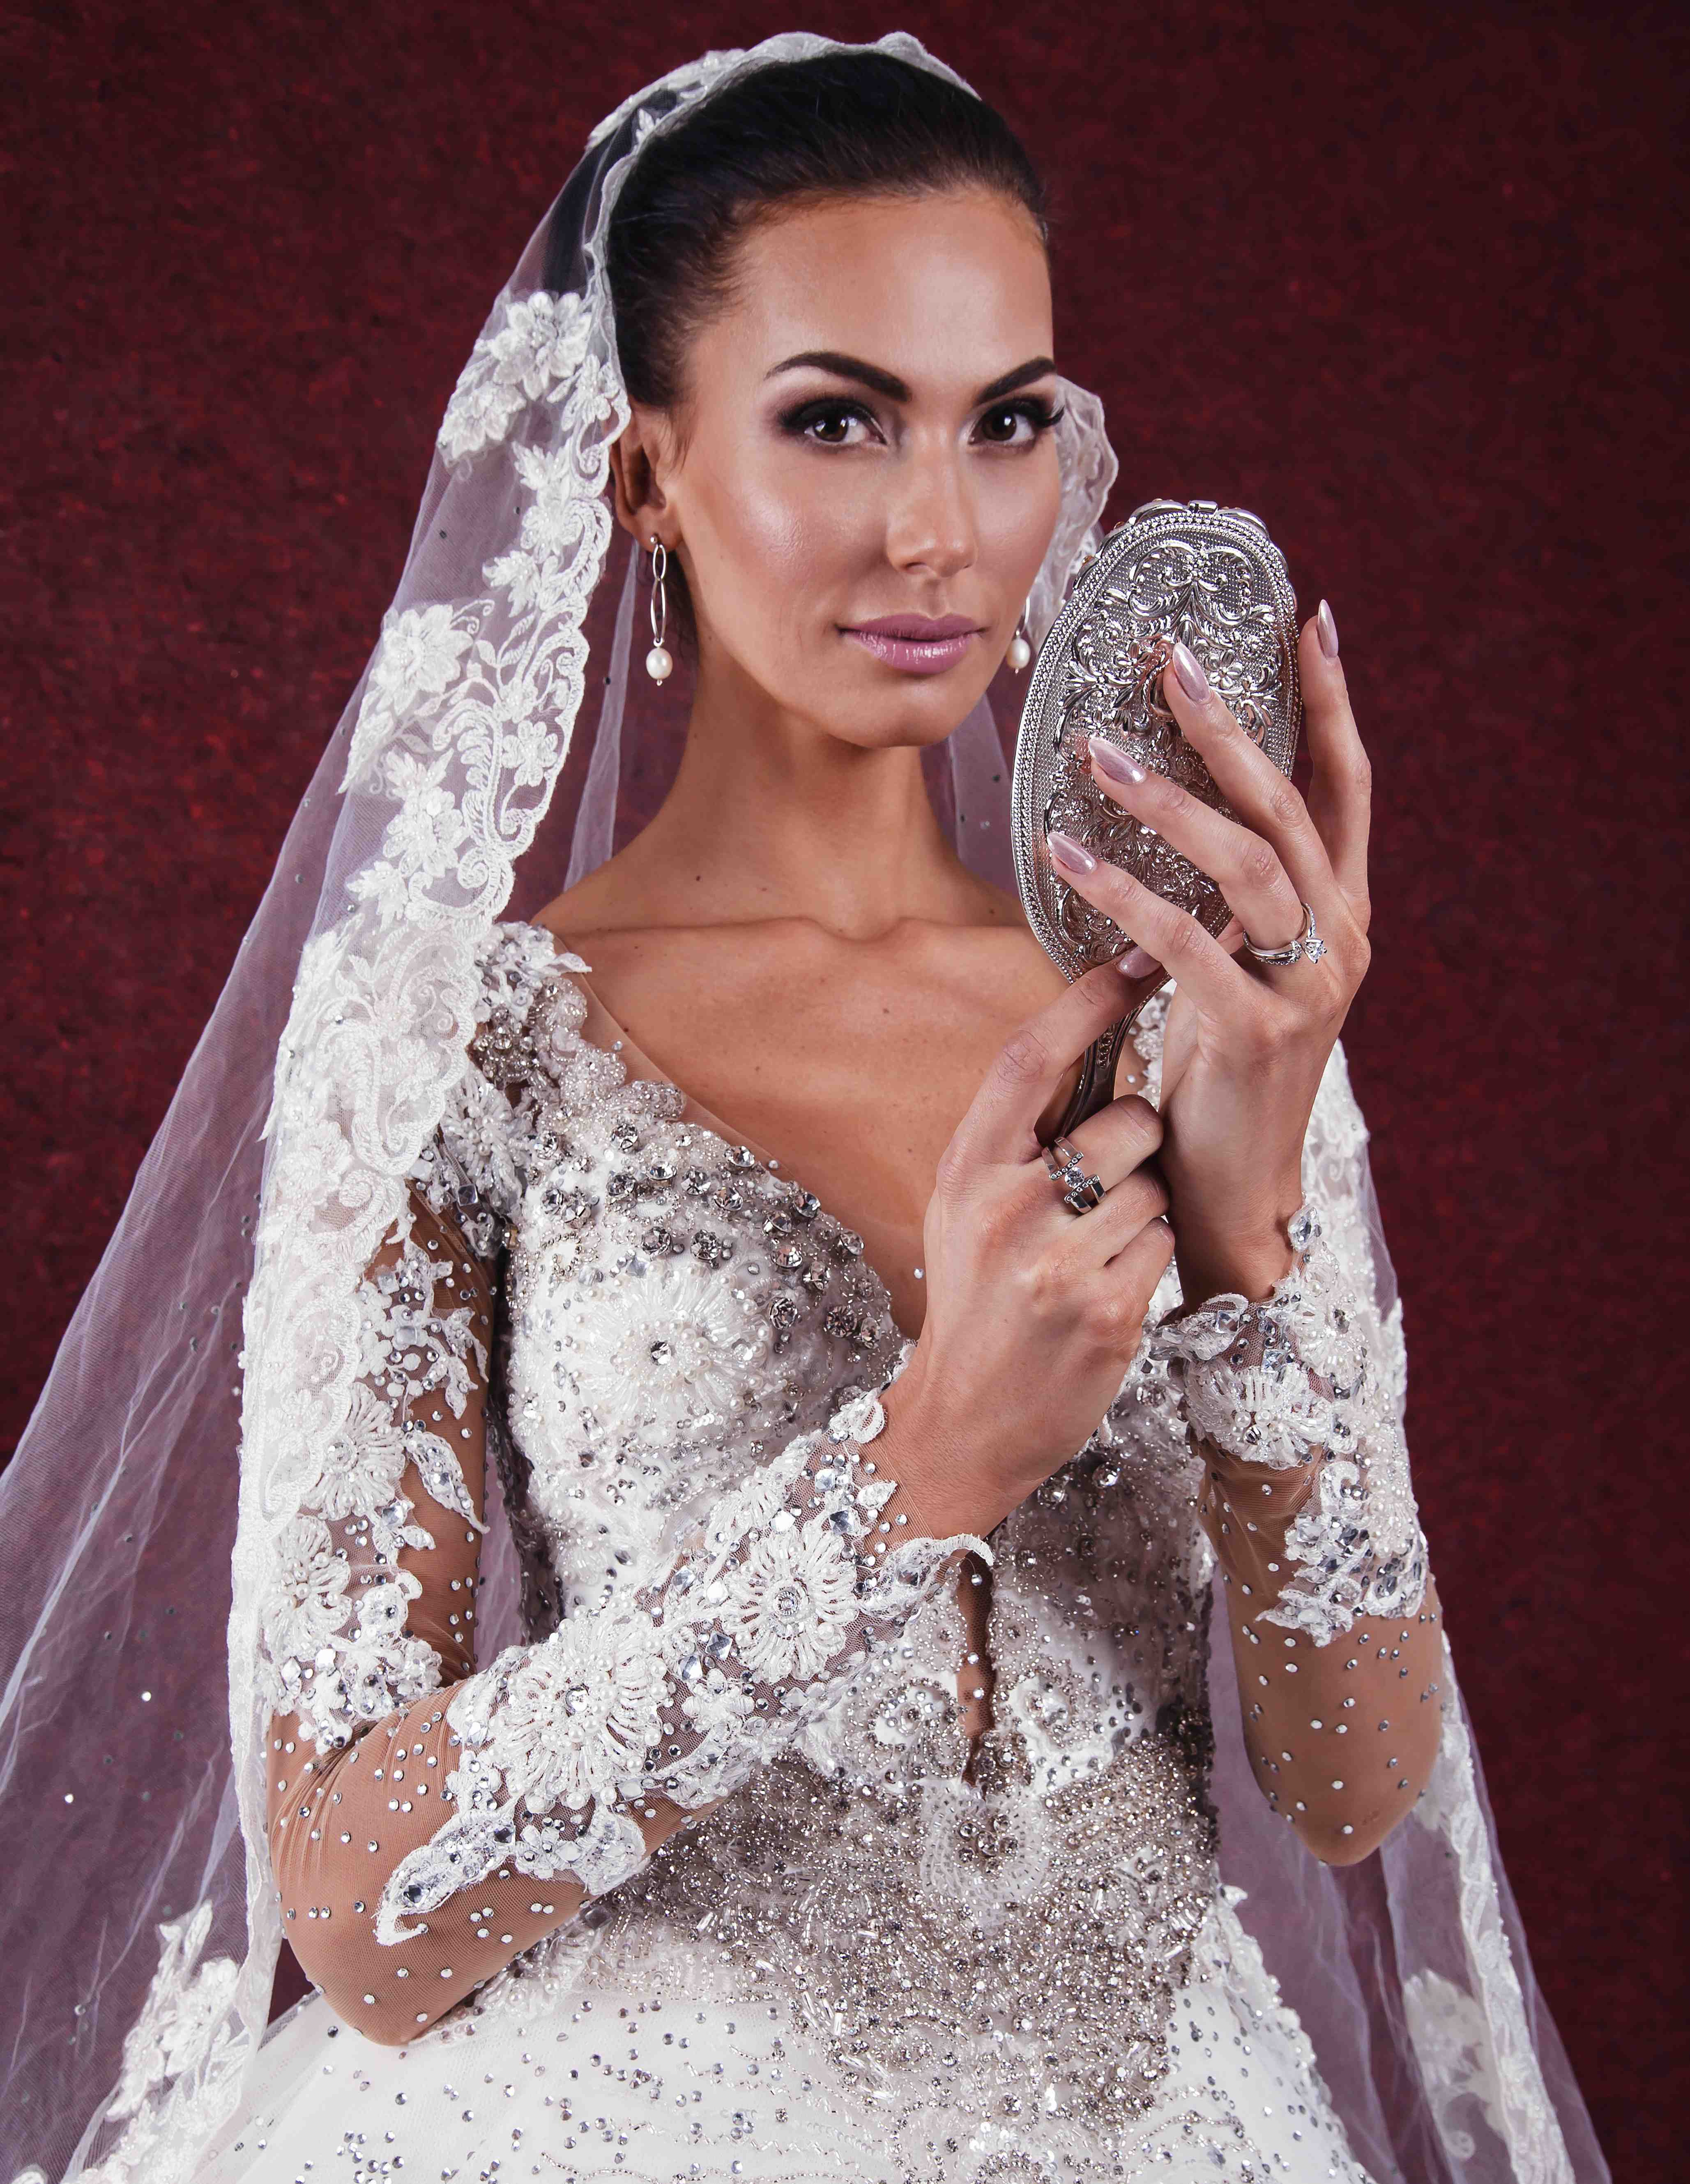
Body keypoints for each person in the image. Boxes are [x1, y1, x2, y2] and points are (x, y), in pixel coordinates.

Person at [0, 33, 1607, 2184]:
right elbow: (359, 1914)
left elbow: (1352, 1782)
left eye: (1004, 421)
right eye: (837, 419)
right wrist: (916, 1465)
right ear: (645, 473)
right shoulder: (461, 1054)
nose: (939, 527)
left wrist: (1249, 1253)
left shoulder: (1198, 1004)